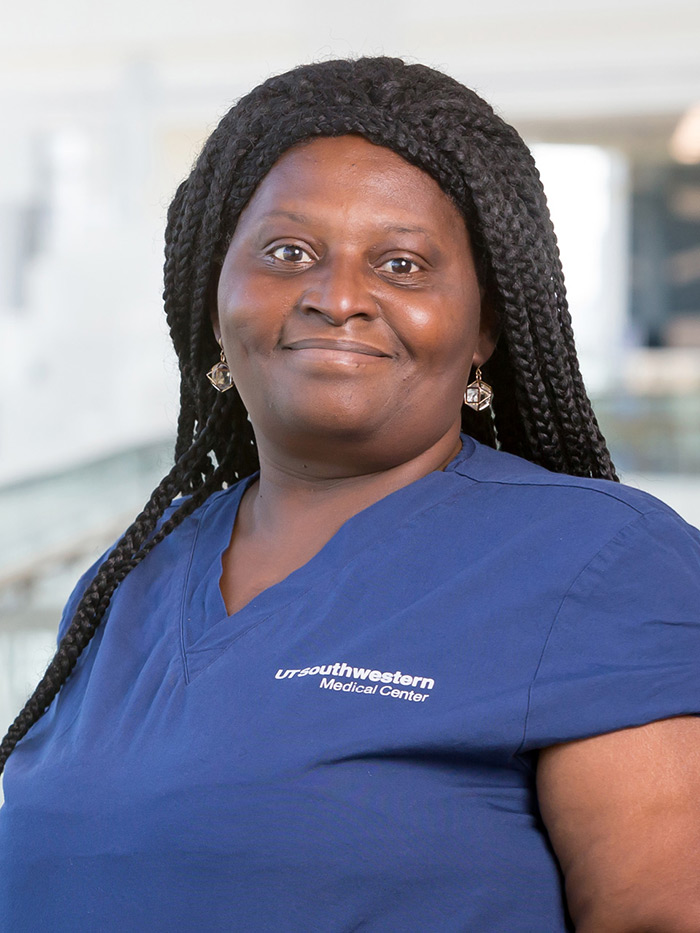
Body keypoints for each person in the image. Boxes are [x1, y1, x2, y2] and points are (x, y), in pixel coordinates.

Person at [0, 56, 699, 933]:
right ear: (212, 301)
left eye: (402, 263)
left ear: (486, 324)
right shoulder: (130, 578)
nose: (337, 298)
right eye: (288, 253)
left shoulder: (606, 562)